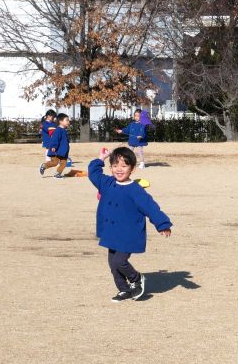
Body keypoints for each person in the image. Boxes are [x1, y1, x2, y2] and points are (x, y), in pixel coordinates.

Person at [89, 146, 172, 301]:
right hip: (111, 232)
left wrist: (162, 224)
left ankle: (136, 279)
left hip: (128, 233)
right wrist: (100, 158)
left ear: (132, 169)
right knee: (113, 264)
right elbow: (93, 173)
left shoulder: (136, 190)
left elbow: (151, 207)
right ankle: (124, 289)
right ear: (111, 167)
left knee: (120, 261)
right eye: (115, 166)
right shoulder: (107, 183)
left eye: (124, 166)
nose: (119, 169)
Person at [41, 113, 72, 178]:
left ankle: (58, 173)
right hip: (56, 151)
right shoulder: (58, 130)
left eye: (68, 120)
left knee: (64, 163)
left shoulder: (64, 130)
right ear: (61, 121)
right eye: (67, 120)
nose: (68, 122)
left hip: (63, 151)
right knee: (54, 163)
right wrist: (53, 147)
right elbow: (54, 139)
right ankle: (44, 165)